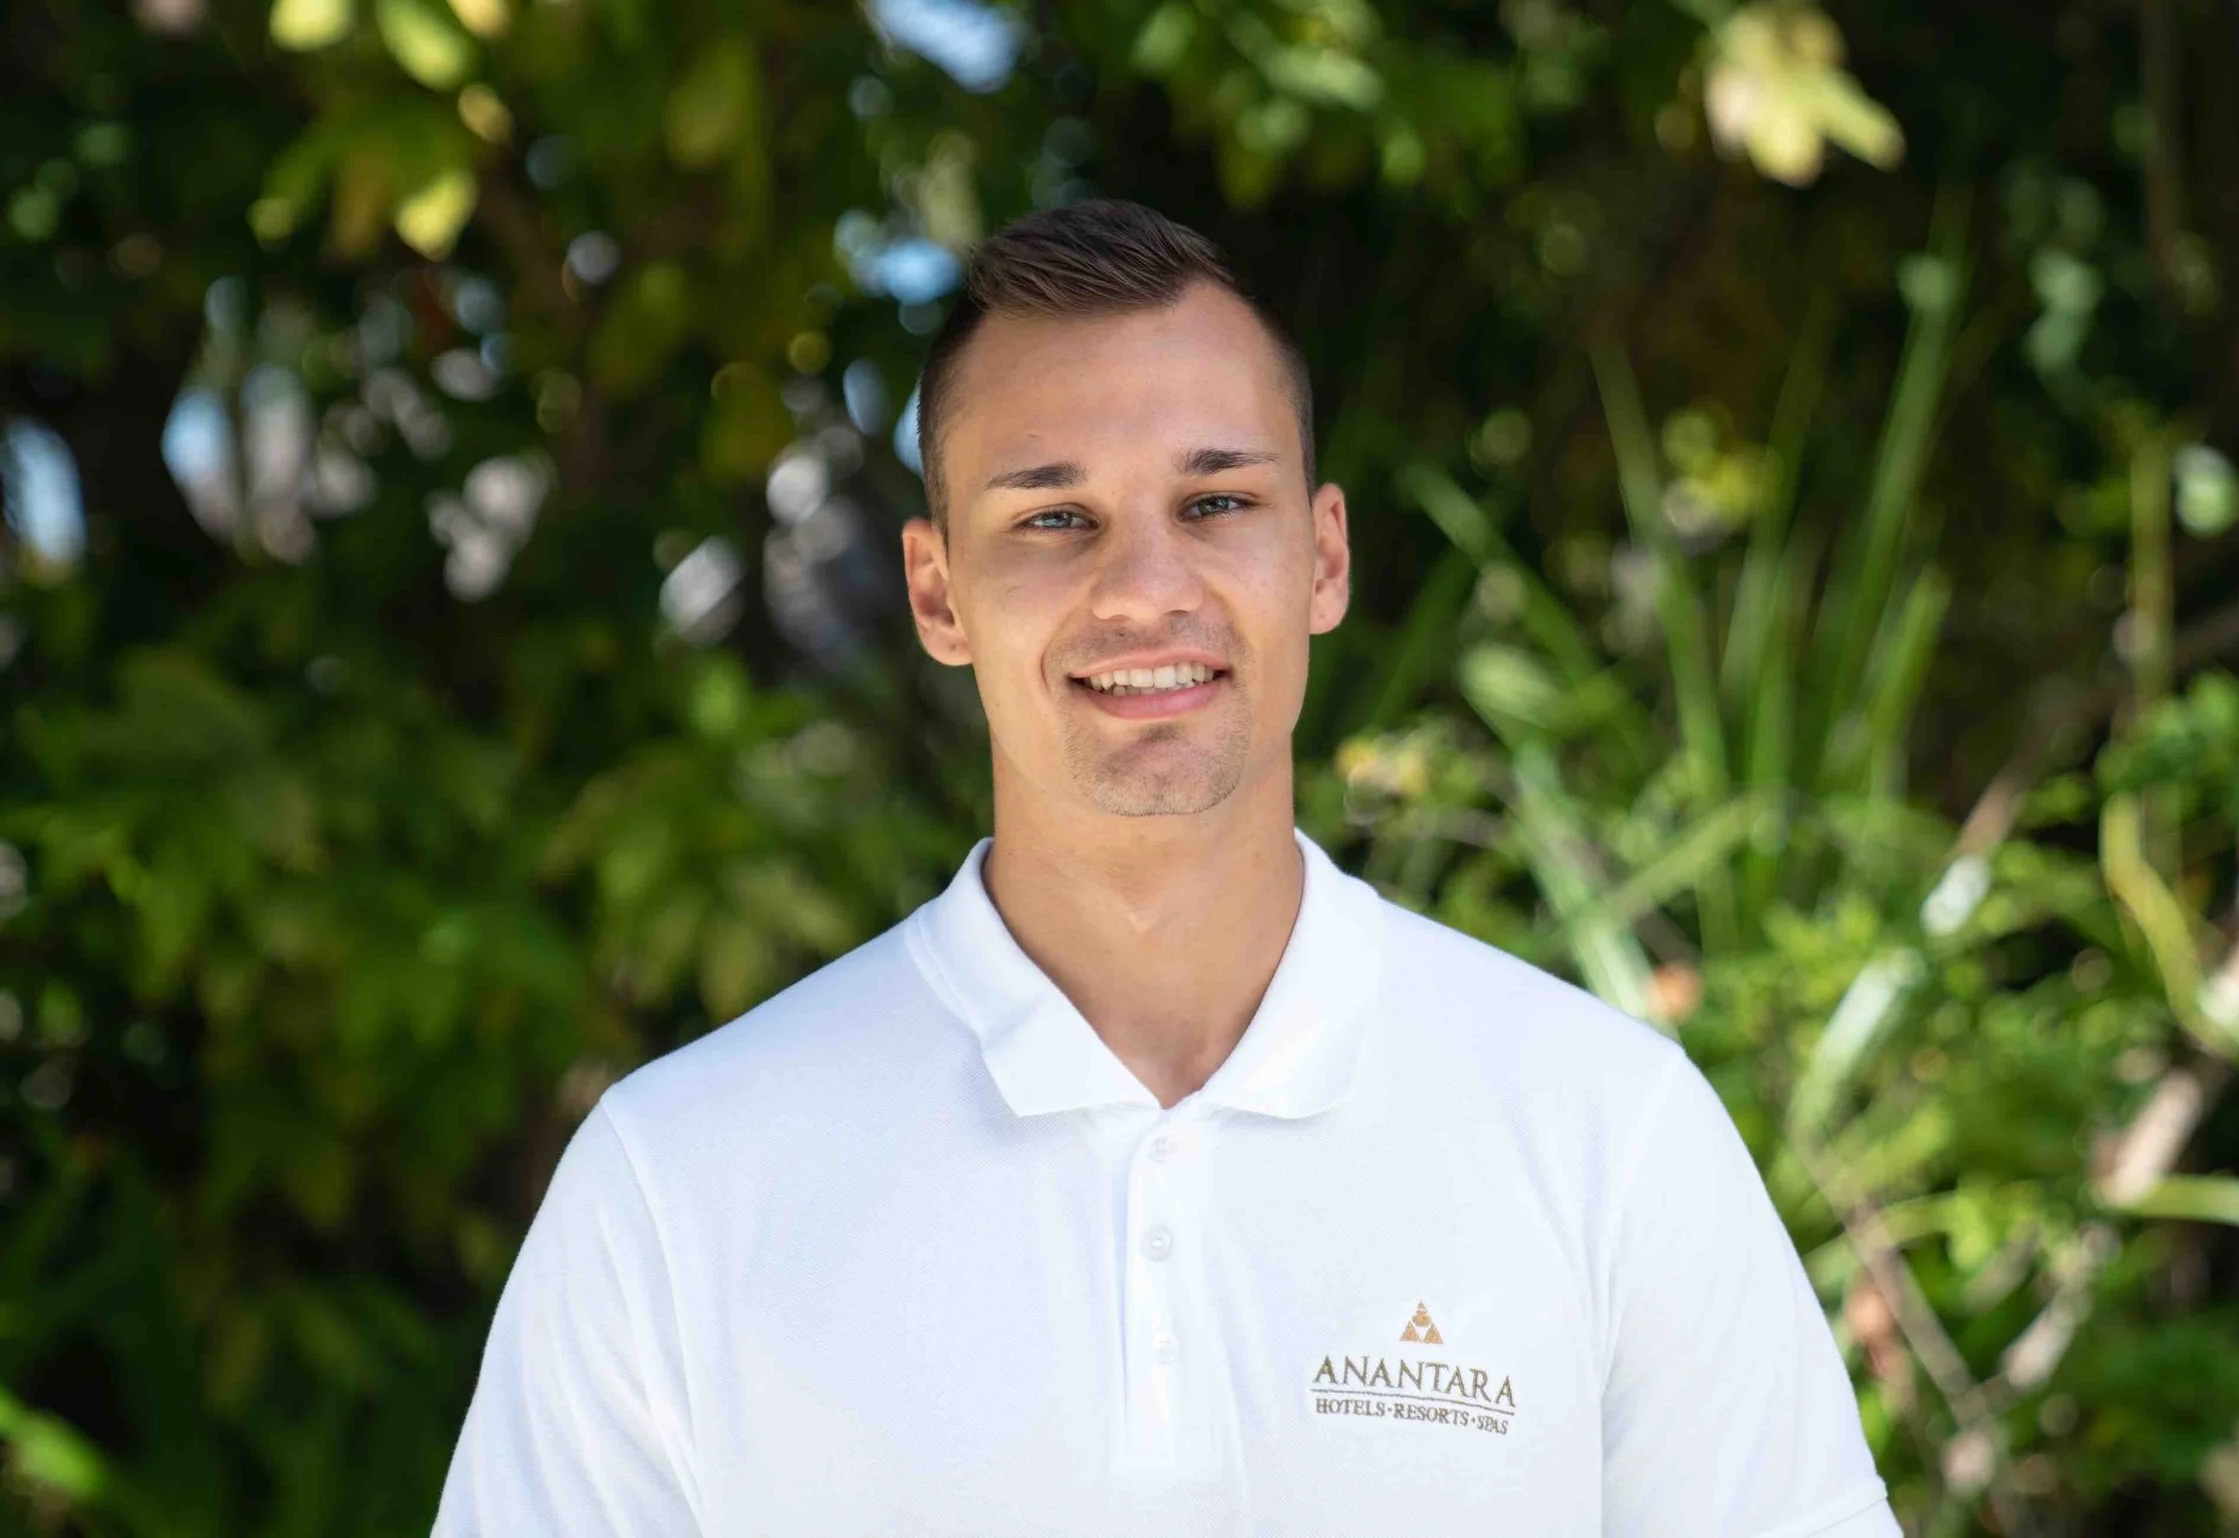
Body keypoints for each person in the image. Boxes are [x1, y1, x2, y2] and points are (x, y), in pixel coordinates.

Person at [431, 199, 1901, 1536]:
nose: (1144, 589)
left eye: (1216, 504)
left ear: (1323, 558)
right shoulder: (680, 1182)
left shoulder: (1604, 1133)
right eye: (1053, 519)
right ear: (938, 591)